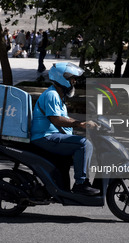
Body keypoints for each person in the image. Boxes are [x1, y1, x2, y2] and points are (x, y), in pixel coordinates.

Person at [30, 62, 100, 196]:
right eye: (71, 78)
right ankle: (81, 184)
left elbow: (62, 120)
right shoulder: (52, 95)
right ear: (62, 78)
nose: (74, 81)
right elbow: (56, 120)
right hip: (45, 137)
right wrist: (79, 124)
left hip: (51, 136)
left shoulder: (58, 95)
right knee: (84, 144)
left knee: (79, 145)